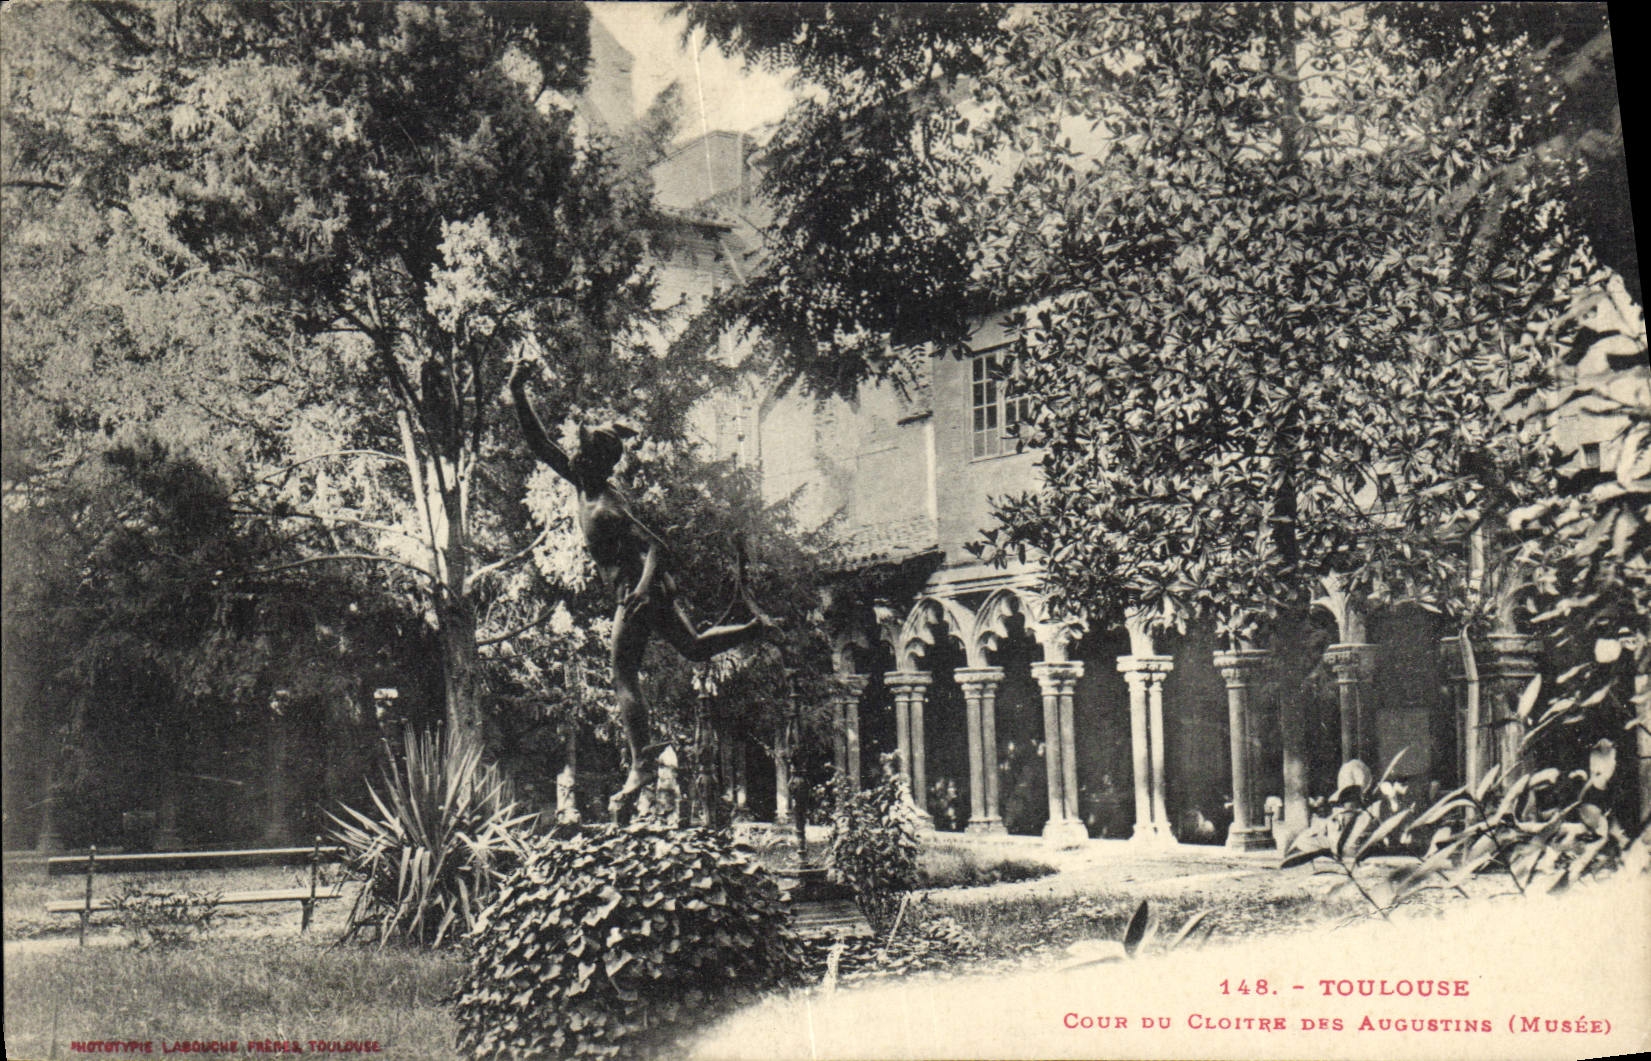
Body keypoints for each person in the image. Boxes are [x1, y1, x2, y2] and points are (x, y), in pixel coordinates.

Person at [509, 362, 778, 823]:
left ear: (596, 462)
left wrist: (640, 590)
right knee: (693, 648)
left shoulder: (608, 505)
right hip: (649, 594)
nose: (572, 458)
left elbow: (658, 546)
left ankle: (640, 765)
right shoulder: (587, 483)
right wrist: (517, 390)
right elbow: (539, 444)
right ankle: (754, 627)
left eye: (582, 453)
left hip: (638, 595)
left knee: (622, 675)